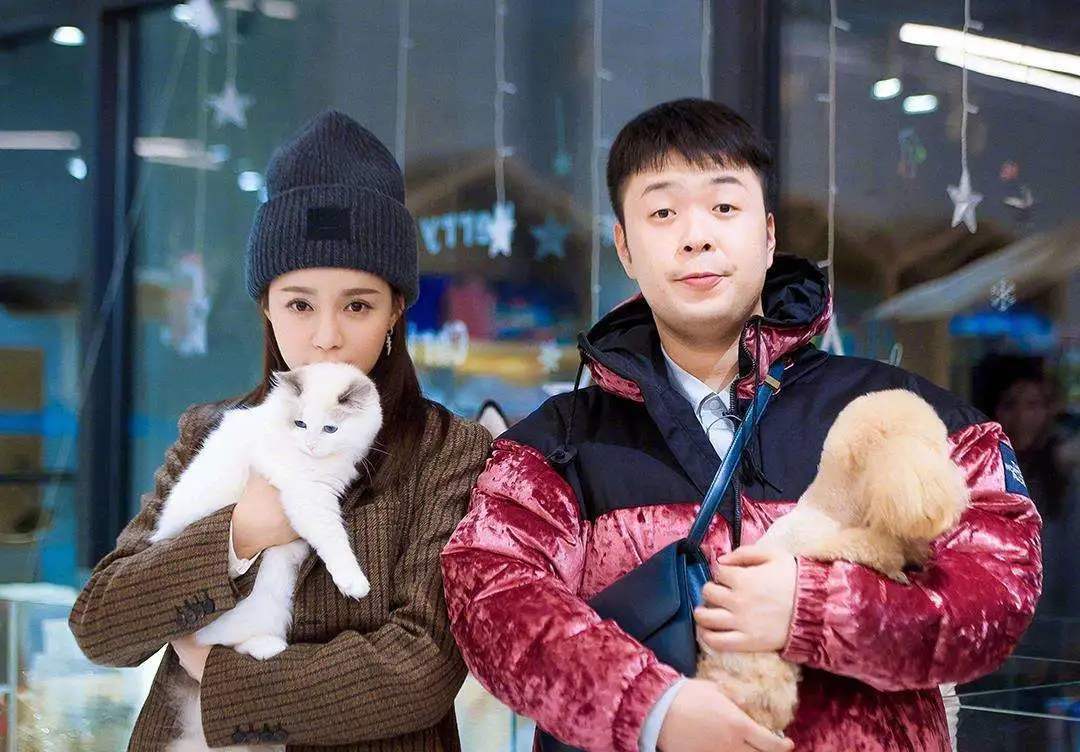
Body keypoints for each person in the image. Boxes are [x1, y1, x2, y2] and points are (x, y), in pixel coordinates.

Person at [440, 99, 1042, 752]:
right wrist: (654, 708)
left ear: (769, 234)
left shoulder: (900, 414)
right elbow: (491, 598)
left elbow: (998, 591)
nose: (696, 236)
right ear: (625, 247)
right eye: (662, 212)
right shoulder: (554, 447)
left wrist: (812, 606)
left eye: (724, 206)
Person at [70, 110, 491, 751]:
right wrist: (239, 534)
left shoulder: (449, 452)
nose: (326, 336)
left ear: (395, 310)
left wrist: (223, 680)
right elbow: (102, 626)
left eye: (358, 305)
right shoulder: (212, 432)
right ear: (266, 305)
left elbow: (420, 668)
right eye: (299, 304)